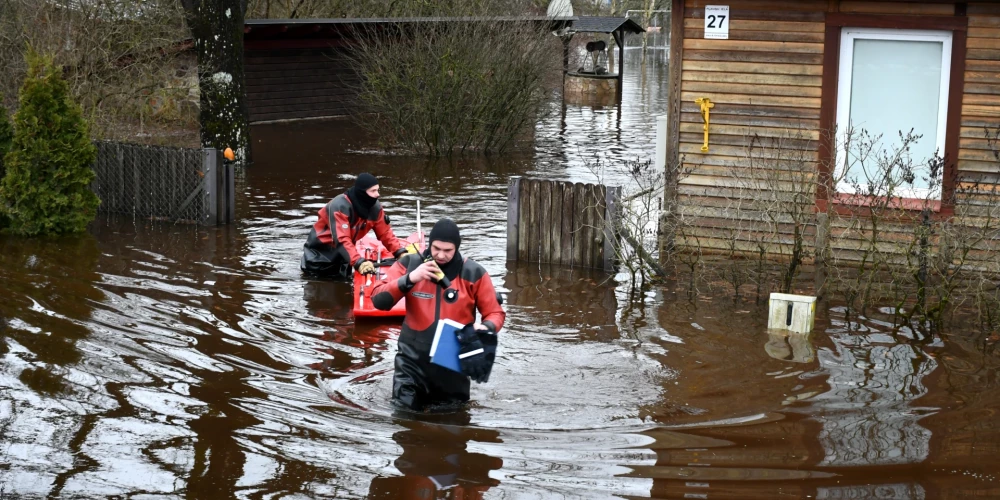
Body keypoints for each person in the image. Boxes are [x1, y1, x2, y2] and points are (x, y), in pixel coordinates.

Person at [370, 218, 505, 411]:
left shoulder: (474, 273)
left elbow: (495, 313)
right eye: (436, 248)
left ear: (456, 248)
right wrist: (410, 278)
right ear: (430, 244)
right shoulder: (409, 263)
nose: (441, 255)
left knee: (452, 426)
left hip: (452, 364)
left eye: (448, 250)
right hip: (411, 362)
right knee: (403, 420)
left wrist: (485, 327)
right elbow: (377, 300)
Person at [301, 173, 405, 279]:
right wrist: (359, 262)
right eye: (373, 191)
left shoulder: (375, 208)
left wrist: (399, 252)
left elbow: (385, 233)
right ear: (362, 192)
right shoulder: (339, 206)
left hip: (343, 257)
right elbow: (342, 239)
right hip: (320, 258)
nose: (377, 194)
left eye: (378, 190)